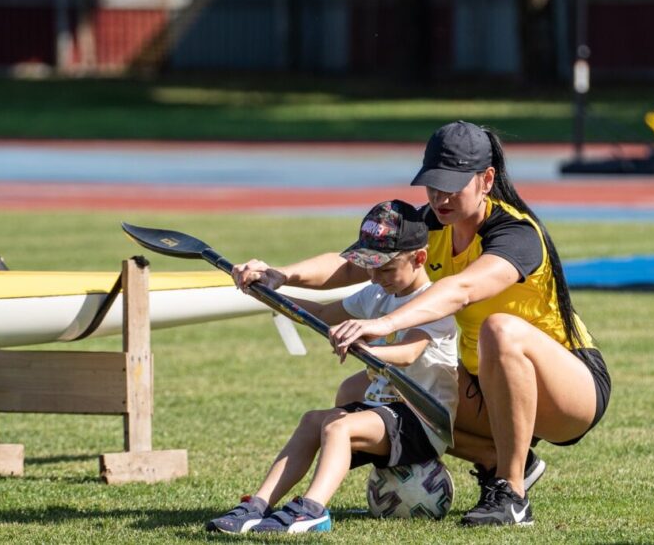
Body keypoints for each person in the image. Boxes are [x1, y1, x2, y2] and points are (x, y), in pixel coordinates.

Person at [233, 120, 612, 527]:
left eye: (453, 184)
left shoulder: (516, 234)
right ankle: (492, 459)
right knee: (357, 389)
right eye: (433, 184)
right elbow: (355, 262)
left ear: (486, 180)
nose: (440, 196)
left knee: (500, 330)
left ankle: (513, 493)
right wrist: (280, 275)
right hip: (485, 382)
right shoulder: (430, 224)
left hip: (570, 390)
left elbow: (462, 289)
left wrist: (384, 323)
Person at [207, 200, 459, 534]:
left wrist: (364, 344)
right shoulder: (377, 294)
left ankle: (312, 511)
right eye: (369, 266)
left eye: (385, 268)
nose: (374, 276)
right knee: (314, 420)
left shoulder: (435, 302)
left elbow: (408, 353)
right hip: (383, 409)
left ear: (420, 258)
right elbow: (323, 316)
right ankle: (256, 506)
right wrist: (268, 293)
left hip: (423, 422)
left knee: (338, 427)